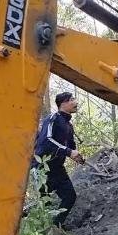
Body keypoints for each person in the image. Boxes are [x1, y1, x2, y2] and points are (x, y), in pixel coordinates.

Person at [32, 91, 83, 227]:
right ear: (63, 103)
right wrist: (68, 151)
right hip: (42, 167)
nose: (76, 102)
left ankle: (56, 226)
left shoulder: (69, 125)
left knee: (70, 196)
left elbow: (70, 144)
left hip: (57, 168)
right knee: (45, 203)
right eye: (72, 99)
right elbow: (46, 141)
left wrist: (76, 156)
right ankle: (38, 229)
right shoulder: (52, 118)